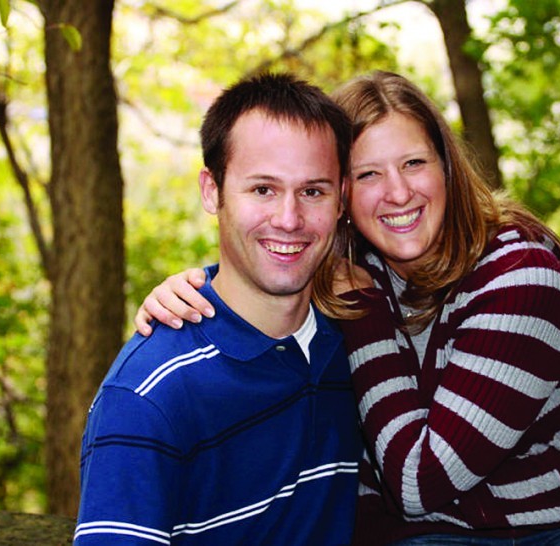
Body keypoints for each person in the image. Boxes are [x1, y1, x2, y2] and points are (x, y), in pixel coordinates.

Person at [136, 71, 560, 544]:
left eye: (414, 163)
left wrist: (365, 311)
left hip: (551, 530)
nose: (397, 192)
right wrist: (198, 288)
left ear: (447, 166)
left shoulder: (518, 278)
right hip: (419, 536)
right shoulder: (347, 269)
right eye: (368, 173)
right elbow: (264, 268)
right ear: (342, 195)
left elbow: (419, 484)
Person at [74, 73, 362, 545]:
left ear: (341, 198)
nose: (289, 220)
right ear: (213, 191)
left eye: (313, 191)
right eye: (262, 189)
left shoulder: (357, 336)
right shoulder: (150, 395)